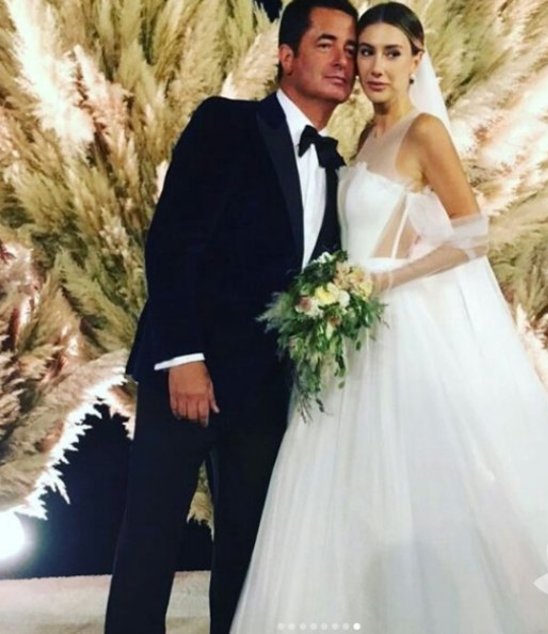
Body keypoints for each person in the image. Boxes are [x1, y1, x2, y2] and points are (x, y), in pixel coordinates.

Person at [230, 3, 548, 632]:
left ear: (417, 59)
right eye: (366, 52)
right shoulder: (365, 139)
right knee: (351, 485)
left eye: (392, 53)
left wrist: (385, 280)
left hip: (399, 328)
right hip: (350, 334)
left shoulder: (424, 133)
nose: (374, 66)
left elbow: (473, 234)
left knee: (418, 478)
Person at [104, 1, 357, 632]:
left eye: (352, 49)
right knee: (151, 538)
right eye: (326, 44)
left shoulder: (336, 168)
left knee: (247, 552)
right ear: (287, 56)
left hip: (265, 391)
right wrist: (184, 358)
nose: (343, 60)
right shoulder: (226, 123)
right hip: (188, 372)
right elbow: (173, 242)